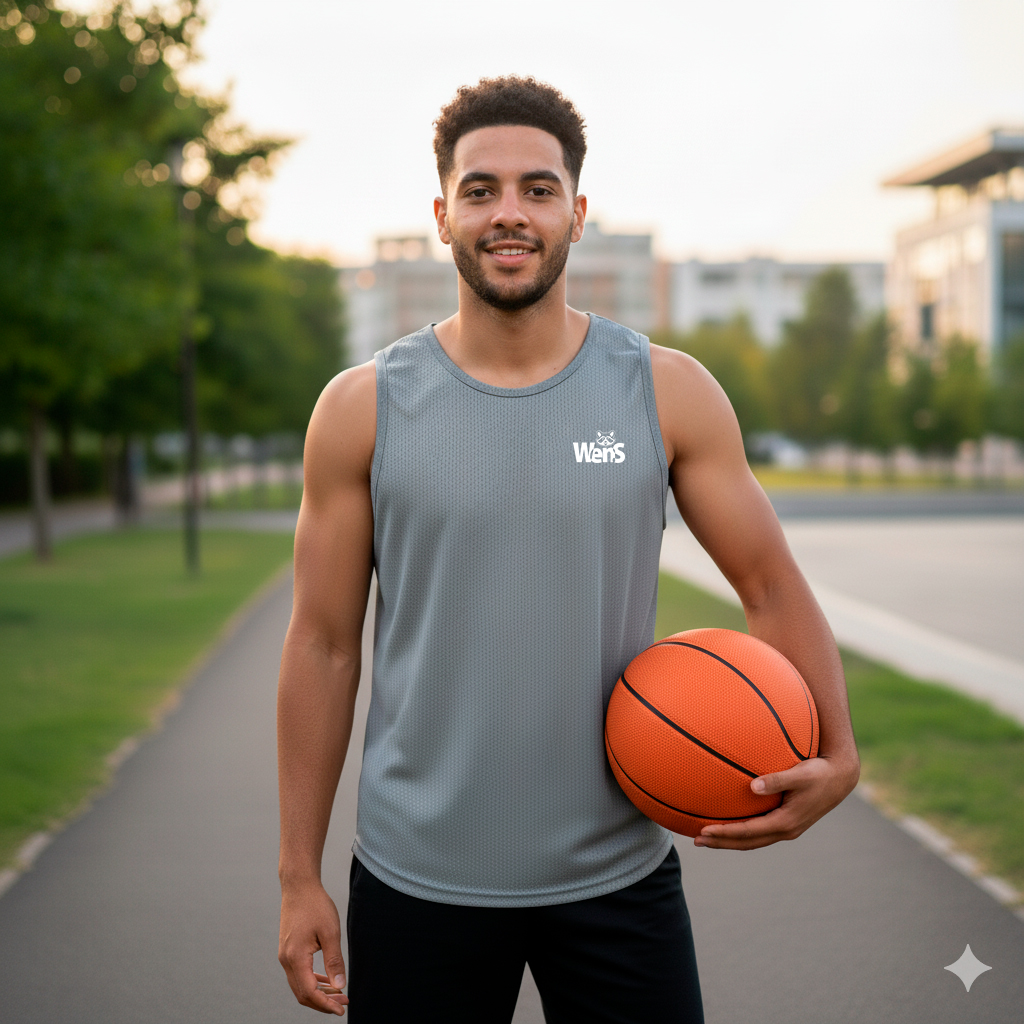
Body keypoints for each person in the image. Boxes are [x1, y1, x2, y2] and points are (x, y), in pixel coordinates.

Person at [276, 76, 860, 1023]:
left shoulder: (665, 392)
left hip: (616, 874)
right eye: (481, 190)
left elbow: (767, 581)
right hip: (417, 876)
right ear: (442, 214)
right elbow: (322, 644)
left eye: (538, 190)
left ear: (578, 213)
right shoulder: (361, 408)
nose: (510, 213)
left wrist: (839, 753)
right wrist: (299, 874)